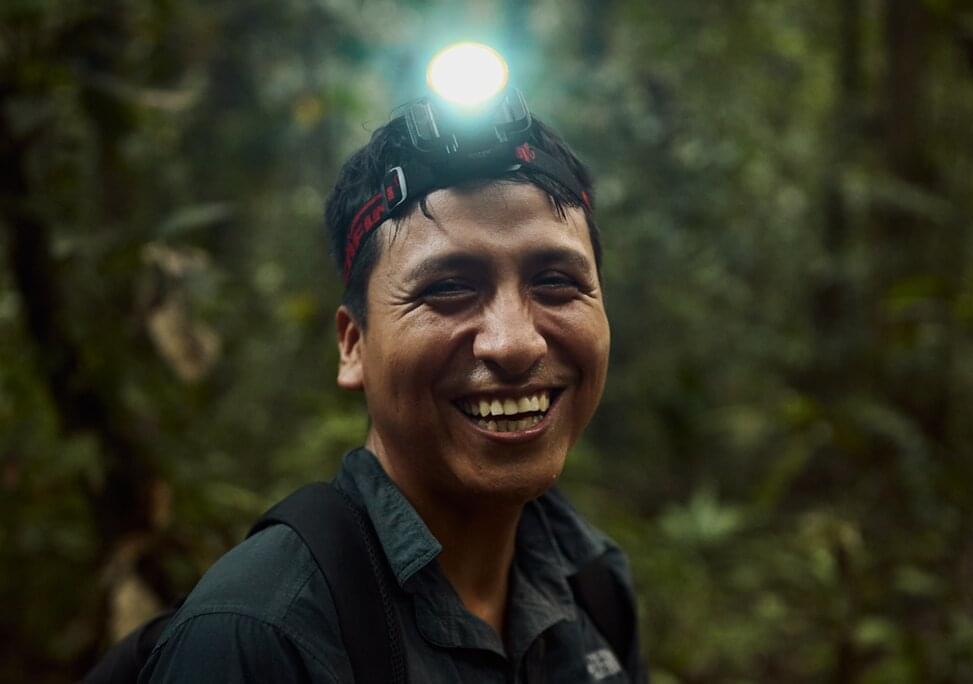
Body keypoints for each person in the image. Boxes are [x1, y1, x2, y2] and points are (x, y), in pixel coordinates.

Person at [139, 105, 646, 682]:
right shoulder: (260, 635)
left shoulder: (595, 584)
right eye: (448, 288)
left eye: (556, 282)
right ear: (353, 344)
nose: (514, 344)